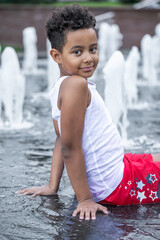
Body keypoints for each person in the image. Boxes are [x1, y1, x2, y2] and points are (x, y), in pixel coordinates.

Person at [17, 4, 160, 220]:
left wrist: (52, 186)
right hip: (117, 186)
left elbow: (61, 139)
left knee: (154, 157)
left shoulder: (62, 85)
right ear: (56, 56)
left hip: (117, 171)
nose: (88, 58)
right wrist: (85, 199)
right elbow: (69, 147)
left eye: (92, 49)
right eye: (77, 52)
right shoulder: (76, 86)